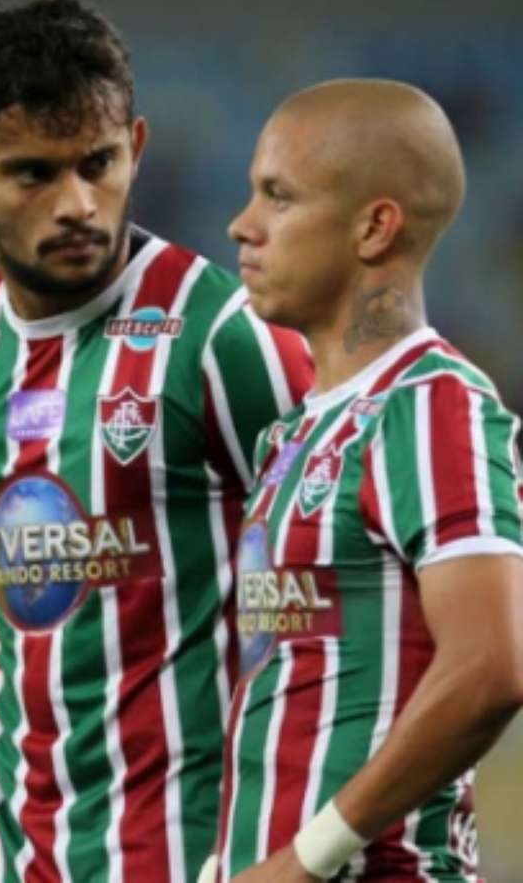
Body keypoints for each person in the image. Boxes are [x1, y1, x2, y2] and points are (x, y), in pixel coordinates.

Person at [0, 0, 313, 881]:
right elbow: (14, 611)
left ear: (136, 145)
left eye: (98, 164)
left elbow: (345, 599)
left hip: (195, 849)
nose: (76, 205)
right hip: (16, 855)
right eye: (32, 174)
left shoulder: (227, 335)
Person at [213, 78, 523, 882]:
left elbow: (491, 667)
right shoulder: (293, 434)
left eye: (278, 196)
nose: (243, 224)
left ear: (374, 227)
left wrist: (305, 860)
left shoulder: (429, 404)